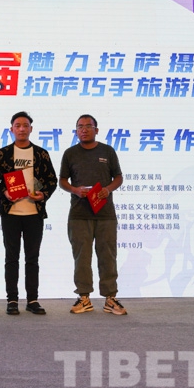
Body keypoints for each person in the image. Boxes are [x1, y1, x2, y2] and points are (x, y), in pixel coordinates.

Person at [0, 111, 57, 315]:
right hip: (11, 213)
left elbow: (52, 180)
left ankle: (32, 300)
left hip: (34, 214)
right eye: (17, 125)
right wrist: (4, 193)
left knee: (32, 258)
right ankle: (12, 299)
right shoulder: (3, 154)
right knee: (11, 258)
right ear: (11, 129)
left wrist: (43, 194)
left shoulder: (41, 154)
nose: (21, 129)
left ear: (31, 129)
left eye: (25, 125)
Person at [59, 114, 127, 315]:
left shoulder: (108, 151)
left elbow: (118, 177)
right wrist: (75, 190)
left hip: (105, 214)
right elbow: (62, 181)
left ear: (96, 130)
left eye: (88, 126)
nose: (84, 129)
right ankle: (84, 297)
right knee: (81, 257)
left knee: (108, 256)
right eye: (80, 126)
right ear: (76, 131)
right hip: (79, 214)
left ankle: (110, 298)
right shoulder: (70, 153)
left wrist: (108, 189)